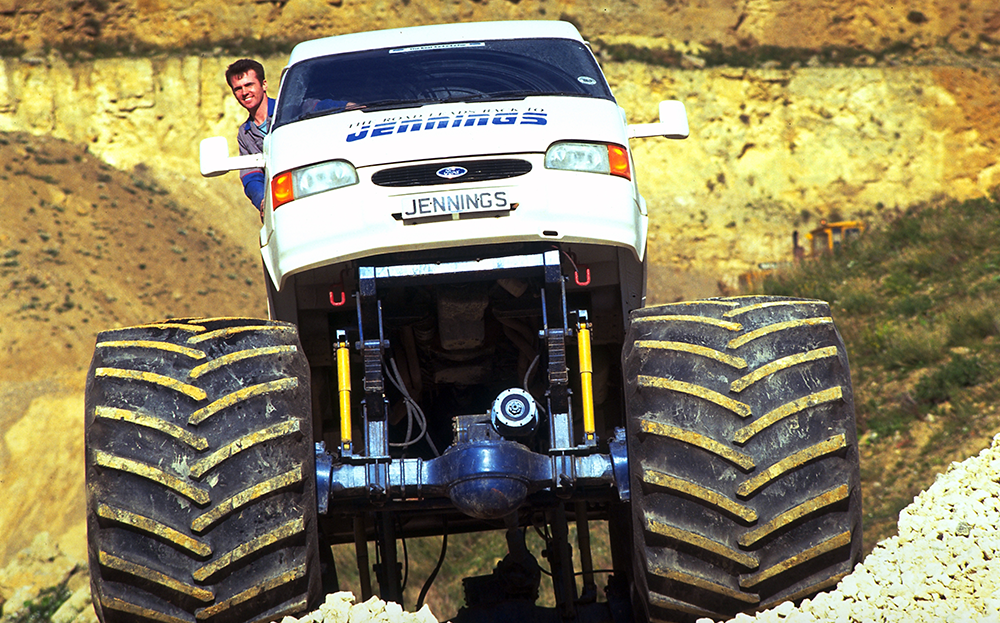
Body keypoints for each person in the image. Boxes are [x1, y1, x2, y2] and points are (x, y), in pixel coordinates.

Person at [225, 59, 274, 216]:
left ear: (264, 84)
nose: (244, 92)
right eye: (238, 89)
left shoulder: (290, 109)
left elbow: (323, 107)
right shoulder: (245, 134)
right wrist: (262, 202)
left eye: (249, 85)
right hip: (279, 203)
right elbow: (251, 176)